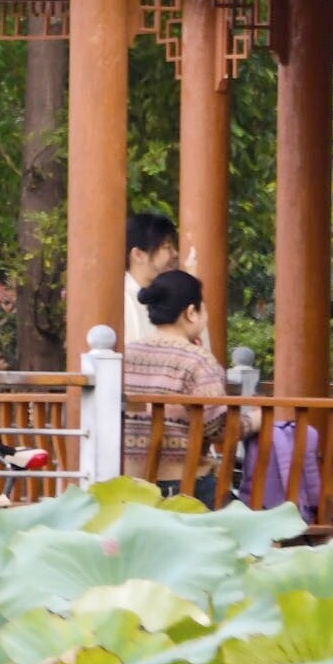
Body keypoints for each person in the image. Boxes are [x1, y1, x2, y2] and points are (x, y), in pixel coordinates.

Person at [121, 269, 229, 497]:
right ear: (191, 312)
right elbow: (218, 429)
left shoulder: (126, 355)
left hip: (130, 485)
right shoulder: (198, 360)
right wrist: (254, 421)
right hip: (184, 486)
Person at [122, 212, 182, 348]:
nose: (175, 254)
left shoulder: (167, 298)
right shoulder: (123, 300)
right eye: (167, 246)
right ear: (138, 255)